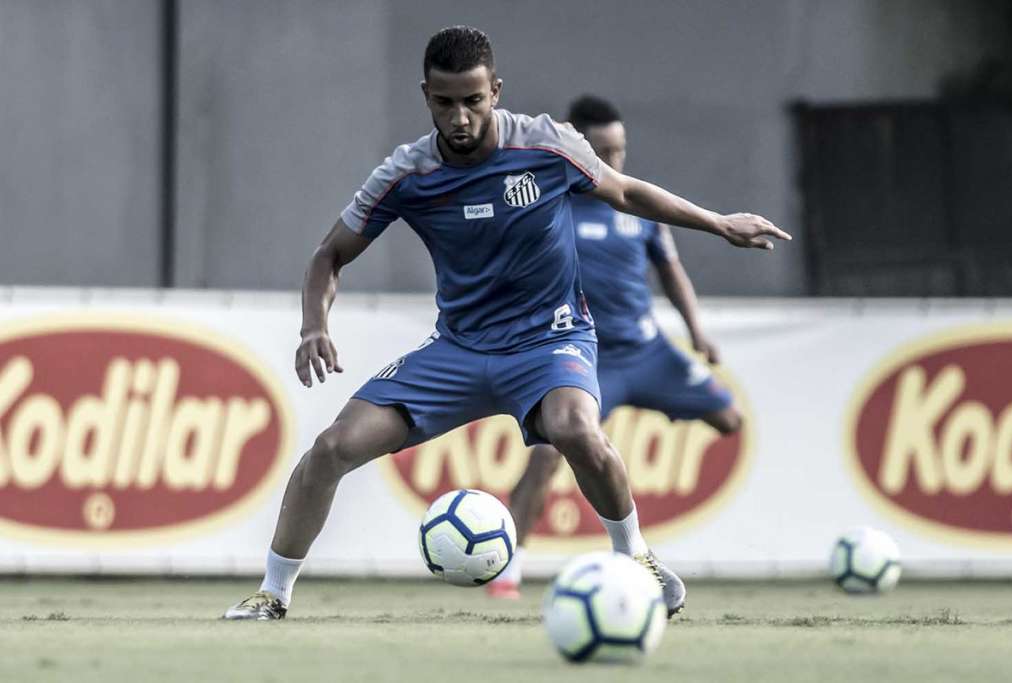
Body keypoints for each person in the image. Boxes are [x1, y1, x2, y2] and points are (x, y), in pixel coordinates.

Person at [224, 26, 788, 621]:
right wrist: (315, 324)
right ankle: (273, 593)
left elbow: (624, 192)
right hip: (458, 350)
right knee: (332, 448)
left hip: (550, 341)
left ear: (495, 90)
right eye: (445, 103)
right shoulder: (407, 174)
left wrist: (719, 222)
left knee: (574, 429)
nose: (460, 117)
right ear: (427, 97)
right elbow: (328, 255)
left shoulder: (547, 145)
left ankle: (637, 558)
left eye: (473, 100)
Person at [487, 95, 743, 600]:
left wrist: (696, 331)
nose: (614, 161)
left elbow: (671, 271)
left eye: (620, 150)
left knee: (730, 419)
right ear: (578, 147)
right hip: (582, 356)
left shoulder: (639, 207)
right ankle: (505, 574)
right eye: (603, 151)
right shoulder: (547, 202)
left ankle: (622, 441)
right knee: (545, 457)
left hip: (648, 353)